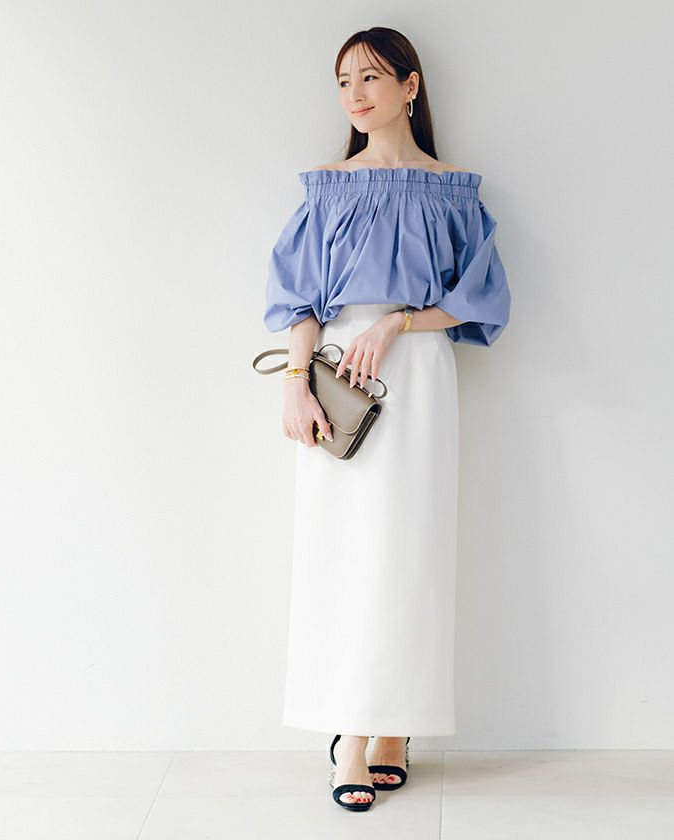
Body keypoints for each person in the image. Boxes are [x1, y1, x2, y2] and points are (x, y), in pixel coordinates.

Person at [262, 27, 511, 812]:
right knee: (340, 552)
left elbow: (479, 300)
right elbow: (299, 298)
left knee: (411, 551)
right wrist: (296, 385)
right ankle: (350, 733)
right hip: (337, 379)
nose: (355, 95)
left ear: (410, 85)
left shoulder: (454, 191)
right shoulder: (327, 189)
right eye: (344, 82)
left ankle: (395, 725)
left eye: (370, 78)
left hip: (419, 374)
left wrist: (397, 322)